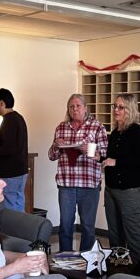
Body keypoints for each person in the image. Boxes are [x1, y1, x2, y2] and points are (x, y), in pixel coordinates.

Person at [48, 94, 107, 252]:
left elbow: (104, 155)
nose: (74, 109)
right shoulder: (61, 127)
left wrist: (90, 149)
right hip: (66, 184)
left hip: (89, 185)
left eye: (78, 106)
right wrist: (56, 146)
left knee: (88, 227)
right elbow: (52, 156)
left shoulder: (97, 126)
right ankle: (65, 260)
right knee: (65, 225)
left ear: (85, 108)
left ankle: (86, 263)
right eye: (71, 106)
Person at [102, 93, 140, 264]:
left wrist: (116, 161)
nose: (116, 110)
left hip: (129, 191)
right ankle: (118, 266)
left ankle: (139, 271)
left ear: (129, 110)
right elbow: (111, 160)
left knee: (132, 232)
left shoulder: (135, 131)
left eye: (120, 107)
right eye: (115, 106)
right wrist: (100, 159)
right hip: (111, 189)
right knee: (114, 233)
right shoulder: (115, 133)